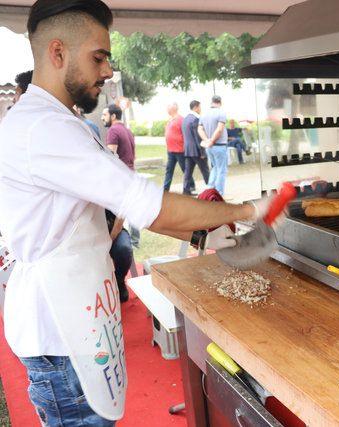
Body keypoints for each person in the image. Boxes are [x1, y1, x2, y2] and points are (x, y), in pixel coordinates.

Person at [0, 2, 277, 424]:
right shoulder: (43, 129)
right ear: (57, 53)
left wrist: (203, 236)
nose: (108, 71)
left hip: (79, 315)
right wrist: (249, 208)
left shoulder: (59, 122)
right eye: (99, 57)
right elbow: (149, 204)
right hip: (60, 335)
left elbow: (107, 203)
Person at [101, 104, 140, 247]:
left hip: (121, 177)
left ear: (113, 116)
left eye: (104, 115)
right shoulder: (127, 130)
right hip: (131, 174)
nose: (102, 118)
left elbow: (112, 157)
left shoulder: (113, 131)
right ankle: (135, 241)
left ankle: (116, 241)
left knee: (120, 213)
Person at [199, 95, 229, 195]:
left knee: (215, 168)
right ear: (220, 102)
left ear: (211, 102)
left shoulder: (203, 114)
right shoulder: (221, 113)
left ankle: (210, 189)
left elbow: (200, 129)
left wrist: (207, 140)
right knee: (221, 170)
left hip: (209, 147)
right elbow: (220, 129)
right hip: (219, 145)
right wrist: (212, 140)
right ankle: (219, 192)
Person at [163, 102, 193, 192]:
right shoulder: (170, 120)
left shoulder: (181, 120)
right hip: (171, 150)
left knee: (185, 169)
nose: (167, 110)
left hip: (180, 150)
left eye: (168, 108)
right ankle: (165, 188)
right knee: (169, 169)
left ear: (173, 109)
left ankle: (191, 185)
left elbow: (186, 134)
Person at [182, 100, 210, 195]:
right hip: (196, 150)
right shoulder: (196, 119)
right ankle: (211, 190)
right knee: (205, 170)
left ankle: (186, 190)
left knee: (188, 172)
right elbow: (197, 137)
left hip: (188, 150)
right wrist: (202, 152)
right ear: (196, 107)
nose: (200, 109)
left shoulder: (185, 119)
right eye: (200, 107)